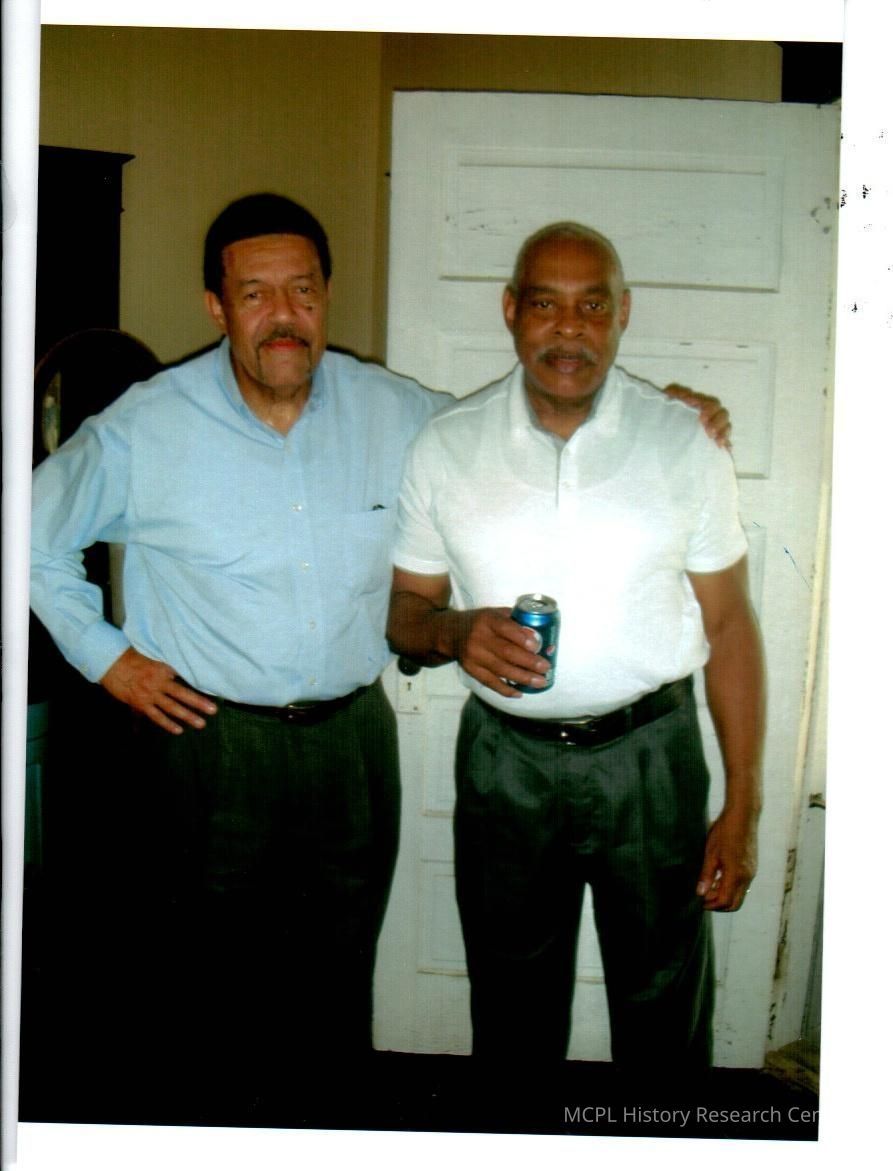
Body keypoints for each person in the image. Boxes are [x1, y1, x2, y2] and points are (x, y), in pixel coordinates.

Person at [30, 197, 731, 1113]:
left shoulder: (393, 411)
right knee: (208, 990)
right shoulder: (146, 426)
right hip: (210, 748)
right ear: (217, 306)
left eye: (302, 290)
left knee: (336, 988)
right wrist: (110, 661)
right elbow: (29, 536)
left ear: (325, 296)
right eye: (255, 293)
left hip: (352, 749)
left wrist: (652, 413)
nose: (283, 315)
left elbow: (512, 426)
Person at [387, 222, 765, 1089]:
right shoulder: (446, 444)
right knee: (510, 1006)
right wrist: (452, 631)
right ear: (510, 311)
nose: (569, 328)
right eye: (545, 304)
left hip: (651, 757)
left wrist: (741, 804)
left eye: (592, 305)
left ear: (623, 313)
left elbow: (730, 624)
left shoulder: (683, 438)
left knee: (662, 1006)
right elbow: (405, 613)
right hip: (504, 763)